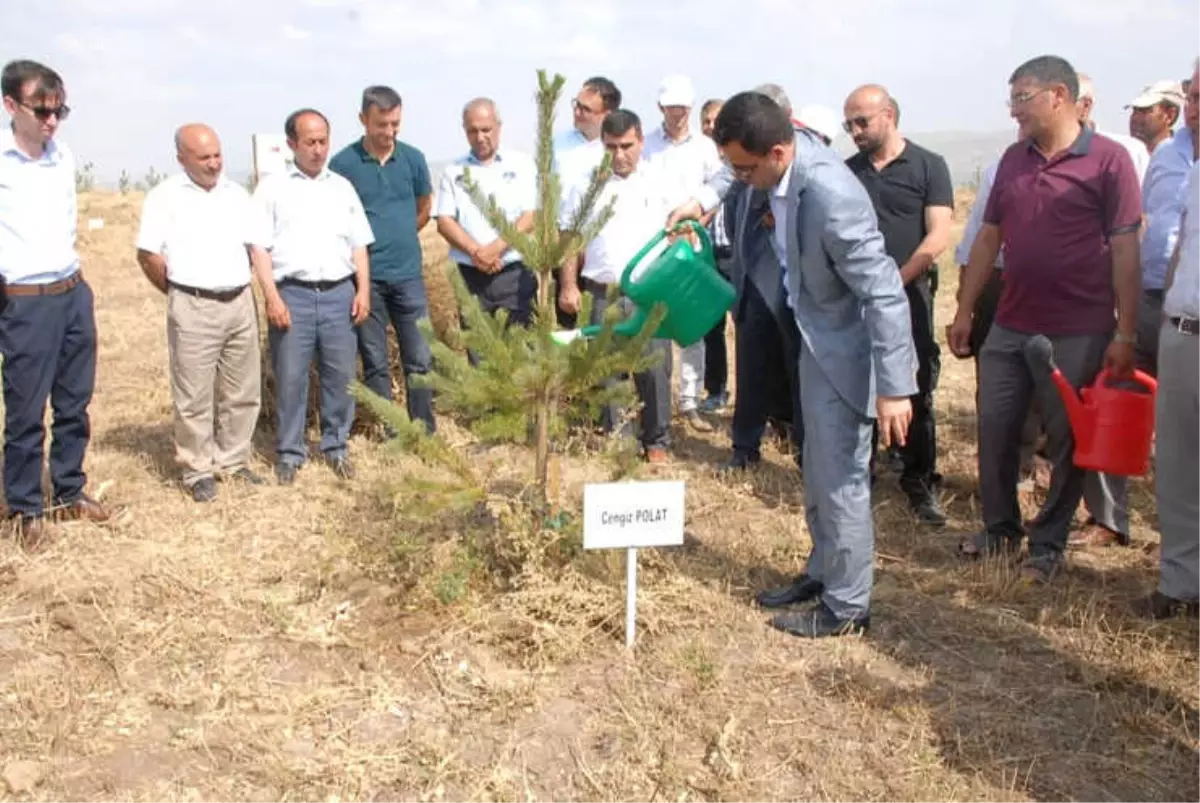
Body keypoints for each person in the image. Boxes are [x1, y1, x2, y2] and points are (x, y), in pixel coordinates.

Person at [670, 92, 918, 637]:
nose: (738, 175)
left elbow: (883, 292)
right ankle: (823, 571)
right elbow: (732, 176)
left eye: (744, 166)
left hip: (842, 346)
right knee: (816, 469)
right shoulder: (771, 154)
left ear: (779, 153)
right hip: (809, 334)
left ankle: (848, 608)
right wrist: (702, 200)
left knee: (841, 479)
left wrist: (896, 387)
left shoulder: (830, 194)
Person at [948, 55, 1142, 583]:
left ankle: (1048, 543)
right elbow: (989, 237)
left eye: (1021, 98)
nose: (1014, 111)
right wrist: (965, 309)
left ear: (1058, 95)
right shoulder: (1013, 160)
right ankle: (1000, 531)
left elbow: (1127, 249)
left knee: (1067, 438)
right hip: (1010, 321)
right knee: (995, 425)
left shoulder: (1109, 160)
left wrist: (1125, 330)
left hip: (1079, 327)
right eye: (1011, 100)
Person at [0, 59, 115, 547]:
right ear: (11, 104)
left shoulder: (61, 156)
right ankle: (25, 506)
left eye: (60, 110)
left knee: (74, 402)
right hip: (24, 301)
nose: (51, 120)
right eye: (42, 110)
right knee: (26, 411)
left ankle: (69, 491)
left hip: (71, 292)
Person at [136, 123, 270, 502]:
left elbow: (255, 246)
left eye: (217, 155)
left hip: (239, 300)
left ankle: (233, 459)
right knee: (193, 394)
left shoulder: (236, 194)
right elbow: (147, 254)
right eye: (204, 157)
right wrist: (178, 291)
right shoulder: (165, 197)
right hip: (193, 304)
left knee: (243, 389)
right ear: (182, 159)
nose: (214, 164)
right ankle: (197, 470)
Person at [844, 84, 954, 527]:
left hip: (909, 296)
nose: (853, 131)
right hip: (857, 301)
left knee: (915, 385)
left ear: (888, 115)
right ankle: (860, 476)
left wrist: (896, 279)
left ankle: (918, 479)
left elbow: (939, 234)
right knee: (859, 384)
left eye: (861, 122)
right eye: (847, 124)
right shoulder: (848, 172)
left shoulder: (929, 165)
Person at [252, 108, 373, 485]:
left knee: (341, 376)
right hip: (294, 295)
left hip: (339, 293)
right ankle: (290, 452)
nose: (319, 150)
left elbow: (358, 246)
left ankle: (336, 447)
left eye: (323, 141)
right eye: (310, 142)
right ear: (292, 144)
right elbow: (259, 249)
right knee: (290, 378)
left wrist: (363, 290)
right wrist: (272, 297)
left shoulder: (341, 187)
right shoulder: (272, 188)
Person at [558, 110, 674, 463]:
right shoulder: (586, 186)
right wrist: (568, 285)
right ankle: (619, 444)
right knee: (607, 370)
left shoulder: (659, 181)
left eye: (627, 146)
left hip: (650, 291)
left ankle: (657, 441)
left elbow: (676, 234)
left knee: (654, 368)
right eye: (611, 147)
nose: (619, 155)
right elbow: (571, 238)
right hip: (602, 290)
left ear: (640, 141)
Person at [330, 85, 436, 435]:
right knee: (375, 361)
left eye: (395, 124)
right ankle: (391, 430)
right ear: (363, 120)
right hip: (365, 280)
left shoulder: (413, 159)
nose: (389, 132)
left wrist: (401, 234)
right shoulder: (343, 164)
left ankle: (423, 430)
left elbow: (424, 208)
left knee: (420, 358)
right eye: (382, 124)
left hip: (408, 275)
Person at [641, 75, 724, 433]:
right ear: (661, 108)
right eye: (670, 107)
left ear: (690, 108)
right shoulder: (646, 146)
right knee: (655, 322)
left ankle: (690, 401)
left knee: (692, 326)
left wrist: (696, 224)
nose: (676, 114)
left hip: (692, 243)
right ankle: (654, 400)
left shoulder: (706, 148)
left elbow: (718, 191)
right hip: (655, 244)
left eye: (682, 108)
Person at [1139, 153, 1200, 620]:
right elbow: (1183, 247)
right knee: (1178, 468)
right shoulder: (1196, 171)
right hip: (1182, 330)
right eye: (1193, 95)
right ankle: (1181, 585)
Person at [435, 98, 536, 328]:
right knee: (478, 352)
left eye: (486, 129)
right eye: (472, 131)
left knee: (521, 350)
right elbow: (444, 221)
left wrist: (495, 249)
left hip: (514, 274)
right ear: (464, 131)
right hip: (471, 277)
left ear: (498, 126)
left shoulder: (521, 165)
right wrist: (476, 253)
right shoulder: (454, 172)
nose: (480, 137)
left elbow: (530, 216)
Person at [1135, 68, 1198, 378]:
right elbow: (1144, 216)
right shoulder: (1166, 154)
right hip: (1152, 290)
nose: (1194, 107)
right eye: (1193, 98)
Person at [551, 76, 621, 328]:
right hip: (565, 247)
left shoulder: (617, 149)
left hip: (604, 253)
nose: (577, 112)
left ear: (607, 113)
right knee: (572, 327)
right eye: (576, 104)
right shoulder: (557, 145)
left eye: (586, 109)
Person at [698, 98, 731, 413]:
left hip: (739, 255)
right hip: (709, 255)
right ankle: (716, 389)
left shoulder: (741, 158)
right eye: (706, 121)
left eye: (716, 120)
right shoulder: (698, 159)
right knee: (712, 327)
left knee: (750, 330)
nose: (711, 126)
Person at [1126, 80, 1184, 154]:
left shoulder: (1186, 157)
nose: (1135, 118)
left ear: (1170, 115)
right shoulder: (1122, 156)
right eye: (1134, 111)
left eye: (1144, 111)